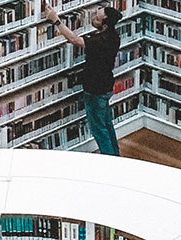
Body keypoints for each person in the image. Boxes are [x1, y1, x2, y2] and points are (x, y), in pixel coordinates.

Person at [42, 2, 124, 156]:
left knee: (98, 129)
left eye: (97, 18)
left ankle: (110, 160)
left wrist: (56, 20)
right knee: (106, 123)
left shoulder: (100, 41)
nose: (93, 18)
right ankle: (116, 156)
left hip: (95, 89)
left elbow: (75, 40)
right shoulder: (114, 36)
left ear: (104, 26)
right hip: (106, 86)